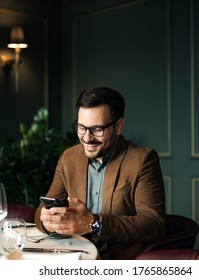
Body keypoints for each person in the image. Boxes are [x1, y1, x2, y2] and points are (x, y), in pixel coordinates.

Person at [34, 86, 166, 259]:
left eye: (96, 129)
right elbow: (39, 213)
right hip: (73, 258)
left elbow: (154, 225)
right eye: (81, 127)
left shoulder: (143, 160)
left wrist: (94, 223)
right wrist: (47, 220)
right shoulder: (68, 157)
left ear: (118, 126)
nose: (87, 138)